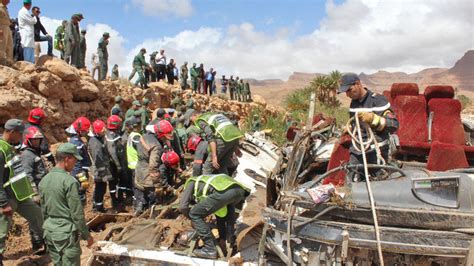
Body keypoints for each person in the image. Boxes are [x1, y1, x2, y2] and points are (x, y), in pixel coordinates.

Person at [39, 143, 94, 265]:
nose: (75, 164)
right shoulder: (69, 182)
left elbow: (43, 210)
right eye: (74, 160)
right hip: (66, 234)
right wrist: (87, 236)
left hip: (50, 232)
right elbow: (77, 213)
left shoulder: (44, 180)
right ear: (67, 159)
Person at [338, 73, 399, 181]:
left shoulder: (378, 100)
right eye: (346, 92)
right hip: (357, 152)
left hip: (376, 152)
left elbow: (394, 125)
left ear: (357, 84)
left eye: (349, 90)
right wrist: (351, 128)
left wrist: (373, 119)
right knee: (352, 183)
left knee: (378, 184)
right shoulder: (353, 104)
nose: (347, 95)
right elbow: (355, 123)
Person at [0, 119, 44, 263]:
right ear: (11, 132)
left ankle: (47, 243)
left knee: (38, 217)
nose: (22, 137)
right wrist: (3, 203)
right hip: (8, 197)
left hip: (20, 195)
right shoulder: (1, 149)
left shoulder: (8, 146)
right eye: (20, 134)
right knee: (2, 230)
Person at [179, 174, 250, 259]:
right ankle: (227, 240)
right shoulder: (205, 182)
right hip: (238, 191)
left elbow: (182, 207)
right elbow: (220, 215)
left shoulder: (190, 184)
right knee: (225, 215)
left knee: (194, 214)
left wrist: (192, 219)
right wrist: (221, 236)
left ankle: (209, 249)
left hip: (224, 192)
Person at [134, 120, 175, 214]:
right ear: (160, 135)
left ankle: (138, 210)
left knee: (139, 192)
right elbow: (153, 166)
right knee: (152, 198)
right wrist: (158, 185)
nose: (166, 139)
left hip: (139, 168)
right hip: (148, 173)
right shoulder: (156, 146)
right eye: (165, 137)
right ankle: (150, 217)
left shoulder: (144, 136)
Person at [88, 120, 117, 213]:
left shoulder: (98, 139)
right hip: (99, 170)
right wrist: (103, 173)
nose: (104, 132)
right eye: (102, 130)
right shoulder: (95, 143)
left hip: (101, 169)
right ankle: (98, 208)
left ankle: (97, 206)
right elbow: (98, 159)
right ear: (97, 131)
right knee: (100, 189)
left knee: (101, 188)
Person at [66, 117, 92, 204]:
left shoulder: (76, 139)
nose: (86, 133)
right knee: (80, 194)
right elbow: (76, 162)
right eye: (84, 131)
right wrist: (82, 177)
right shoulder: (75, 142)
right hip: (79, 173)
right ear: (79, 130)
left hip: (79, 171)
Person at [105, 115, 128, 208]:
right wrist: (118, 165)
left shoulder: (109, 134)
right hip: (113, 164)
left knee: (116, 182)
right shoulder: (111, 136)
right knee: (114, 181)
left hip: (113, 162)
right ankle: (115, 200)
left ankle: (118, 198)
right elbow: (112, 152)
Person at [20, 126, 47, 200]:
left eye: (38, 139)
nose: (37, 141)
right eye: (34, 139)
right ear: (28, 140)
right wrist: (34, 193)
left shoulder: (36, 152)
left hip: (43, 186)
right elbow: (27, 174)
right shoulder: (27, 155)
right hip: (38, 188)